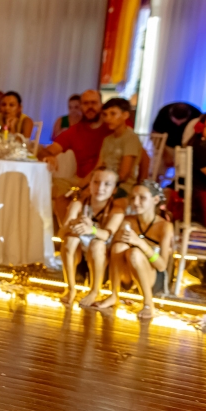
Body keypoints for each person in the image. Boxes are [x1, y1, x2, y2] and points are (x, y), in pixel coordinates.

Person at [97, 181, 173, 318]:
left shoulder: (164, 226)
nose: (136, 202)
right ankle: (113, 294)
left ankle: (148, 303)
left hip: (151, 277)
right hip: (128, 276)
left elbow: (162, 266)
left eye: (142, 198)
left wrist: (141, 243)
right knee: (118, 246)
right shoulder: (127, 221)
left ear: (155, 200)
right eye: (133, 198)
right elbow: (113, 254)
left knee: (135, 253)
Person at [38, 90, 110, 224]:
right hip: (80, 180)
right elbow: (46, 151)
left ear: (101, 104)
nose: (90, 107)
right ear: (81, 106)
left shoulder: (110, 128)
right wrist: (49, 156)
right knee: (58, 193)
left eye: (94, 103)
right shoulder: (75, 130)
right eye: (86, 103)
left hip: (103, 181)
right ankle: (66, 233)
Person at [58, 168, 124, 307]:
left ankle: (95, 290)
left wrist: (92, 229)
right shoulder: (78, 204)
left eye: (107, 184)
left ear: (114, 190)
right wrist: (73, 223)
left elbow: (107, 235)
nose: (100, 188)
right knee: (70, 240)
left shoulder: (116, 210)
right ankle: (70, 288)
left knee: (97, 244)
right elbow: (61, 234)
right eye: (96, 182)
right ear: (90, 184)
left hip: (104, 258)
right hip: (80, 254)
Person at [93, 98, 143, 197]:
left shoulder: (130, 138)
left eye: (113, 114)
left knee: (89, 198)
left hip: (121, 186)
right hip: (103, 183)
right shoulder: (107, 139)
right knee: (75, 194)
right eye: (105, 115)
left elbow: (124, 175)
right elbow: (98, 166)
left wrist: (102, 184)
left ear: (125, 115)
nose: (108, 118)